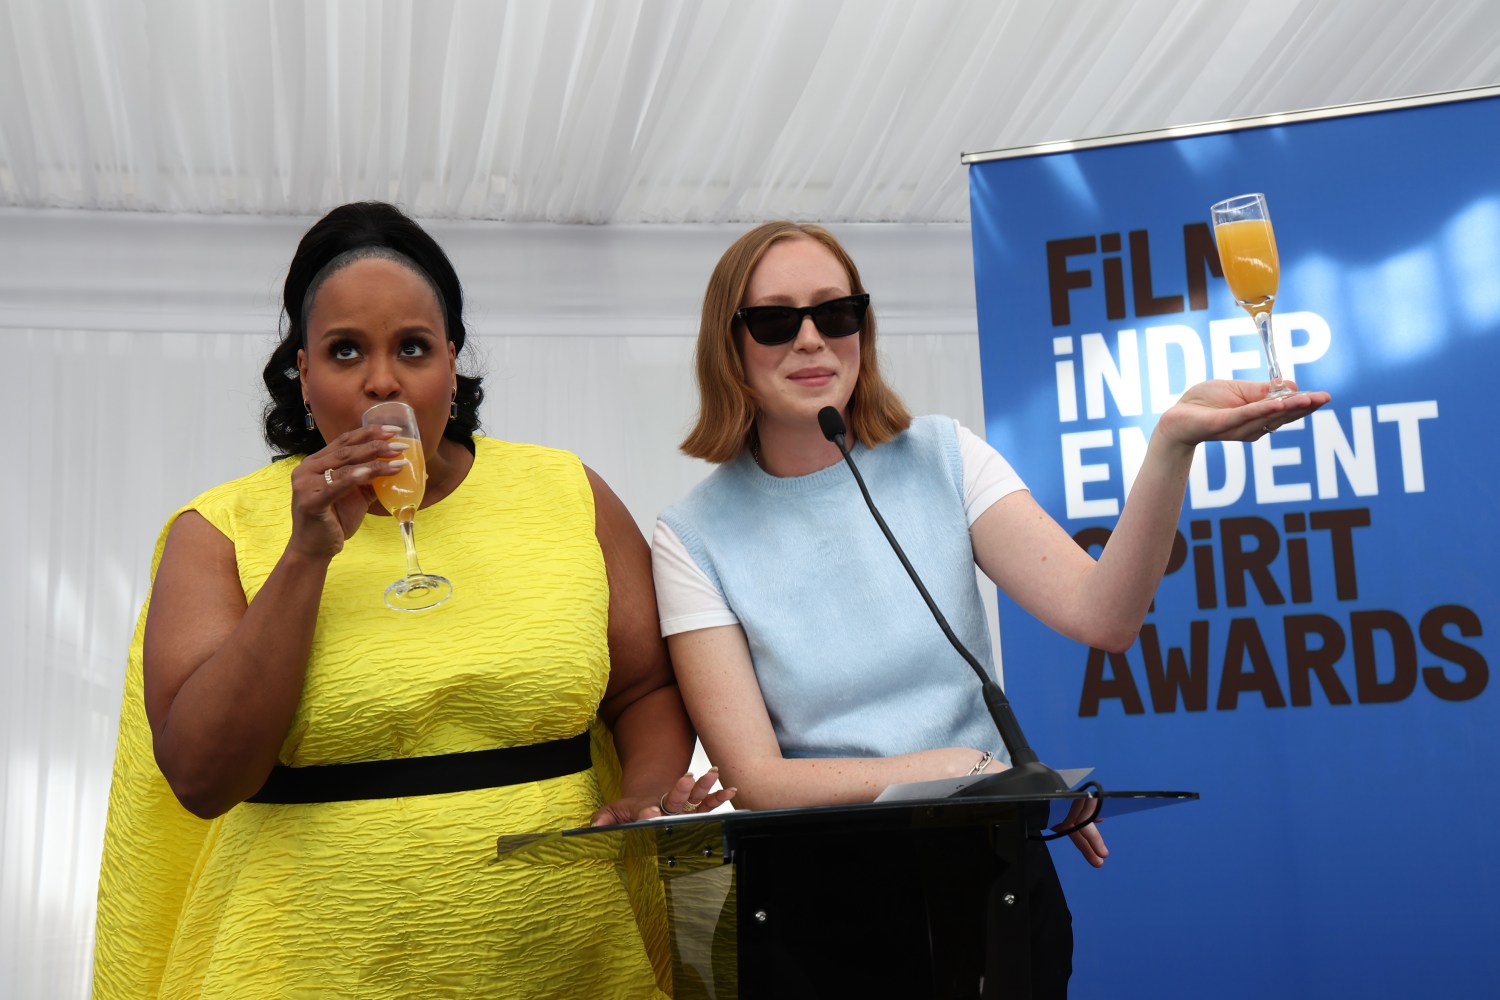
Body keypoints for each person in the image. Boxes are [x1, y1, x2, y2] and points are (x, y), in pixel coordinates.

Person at [651, 221, 1330, 993]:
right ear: (729, 343)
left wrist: (1172, 444)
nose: (811, 339)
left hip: (991, 876)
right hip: (819, 908)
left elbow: (1105, 617)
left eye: (835, 313)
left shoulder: (944, 453)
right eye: (776, 320)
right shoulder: (691, 535)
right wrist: (949, 769)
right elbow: (754, 780)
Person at [93, 201, 729, 1000]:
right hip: (304, 970)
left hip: (570, 963)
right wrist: (305, 556)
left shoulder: (567, 492)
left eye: (414, 348)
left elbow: (645, 687)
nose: (382, 379)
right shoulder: (217, 529)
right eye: (345, 350)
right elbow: (201, 776)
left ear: (451, 364)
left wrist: (643, 794)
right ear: (303, 374)